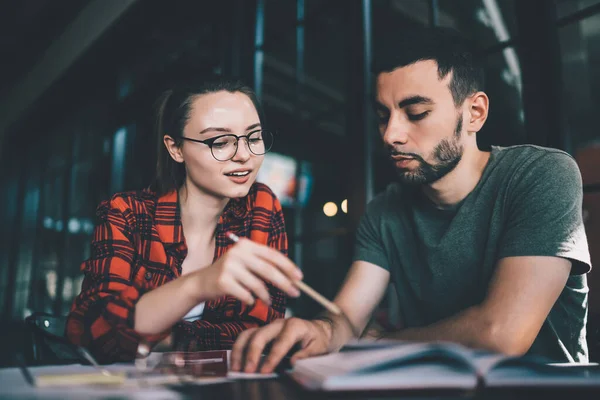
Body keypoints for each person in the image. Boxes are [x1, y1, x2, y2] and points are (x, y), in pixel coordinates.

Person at [231, 26, 592, 373]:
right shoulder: (384, 211)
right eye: (382, 116)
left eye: (416, 113)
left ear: (474, 113)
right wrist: (320, 331)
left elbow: (501, 333)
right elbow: (346, 318)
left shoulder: (542, 174)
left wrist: (382, 343)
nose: (391, 135)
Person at [66, 78, 303, 363]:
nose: (244, 156)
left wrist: (167, 336)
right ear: (176, 148)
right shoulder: (127, 213)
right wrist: (199, 284)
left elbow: (260, 333)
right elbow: (97, 333)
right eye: (220, 141)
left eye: (253, 138)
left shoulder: (261, 206)